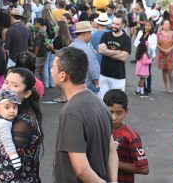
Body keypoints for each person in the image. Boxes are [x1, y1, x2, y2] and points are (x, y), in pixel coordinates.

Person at [52, 47, 118, 182]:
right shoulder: (100, 103)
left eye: (53, 67)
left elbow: (81, 169)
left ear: (63, 75)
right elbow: (112, 150)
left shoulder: (71, 112)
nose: (51, 70)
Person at [103, 89, 149, 183]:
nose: (114, 118)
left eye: (119, 113)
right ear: (103, 108)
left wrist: (113, 162)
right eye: (110, 112)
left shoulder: (130, 136)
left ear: (126, 111)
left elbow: (144, 169)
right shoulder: (99, 129)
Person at [98, 15, 132, 99]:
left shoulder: (126, 39)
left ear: (123, 25)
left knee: (117, 102)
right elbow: (100, 51)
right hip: (103, 75)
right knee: (102, 101)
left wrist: (107, 52)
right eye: (113, 23)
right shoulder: (106, 35)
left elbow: (123, 57)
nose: (114, 26)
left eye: (117, 24)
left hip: (118, 77)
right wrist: (117, 51)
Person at [69, 21, 100, 94]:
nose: (91, 35)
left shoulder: (71, 46)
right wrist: (97, 82)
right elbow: (92, 68)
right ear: (84, 34)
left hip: (73, 83)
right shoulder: (86, 49)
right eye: (89, 33)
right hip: (87, 84)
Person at [47, 21, 72, 90]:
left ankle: (52, 84)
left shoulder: (58, 38)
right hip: (64, 57)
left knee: (53, 70)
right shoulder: (68, 37)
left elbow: (57, 50)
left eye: (57, 26)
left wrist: (51, 48)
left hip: (56, 56)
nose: (55, 27)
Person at [134, 21, 157, 94]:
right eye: (146, 25)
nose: (147, 27)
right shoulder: (140, 33)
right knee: (142, 74)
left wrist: (152, 56)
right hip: (140, 54)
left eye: (149, 25)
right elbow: (136, 42)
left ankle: (148, 88)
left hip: (147, 55)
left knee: (147, 72)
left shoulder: (153, 35)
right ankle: (142, 89)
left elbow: (153, 46)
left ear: (152, 27)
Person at [157, 19, 173, 93]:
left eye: (168, 24)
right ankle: (165, 86)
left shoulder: (172, 33)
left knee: (170, 71)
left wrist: (169, 49)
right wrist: (162, 49)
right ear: (162, 25)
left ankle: (171, 87)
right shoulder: (159, 33)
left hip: (170, 54)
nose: (167, 25)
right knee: (164, 70)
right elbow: (157, 43)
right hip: (162, 54)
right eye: (165, 24)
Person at [34, 18, 49, 84]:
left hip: (39, 55)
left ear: (39, 23)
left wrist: (35, 54)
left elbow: (38, 45)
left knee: (36, 70)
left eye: (36, 23)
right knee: (41, 70)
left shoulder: (39, 33)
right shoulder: (44, 32)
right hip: (44, 53)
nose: (35, 24)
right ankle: (42, 86)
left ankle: (38, 87)